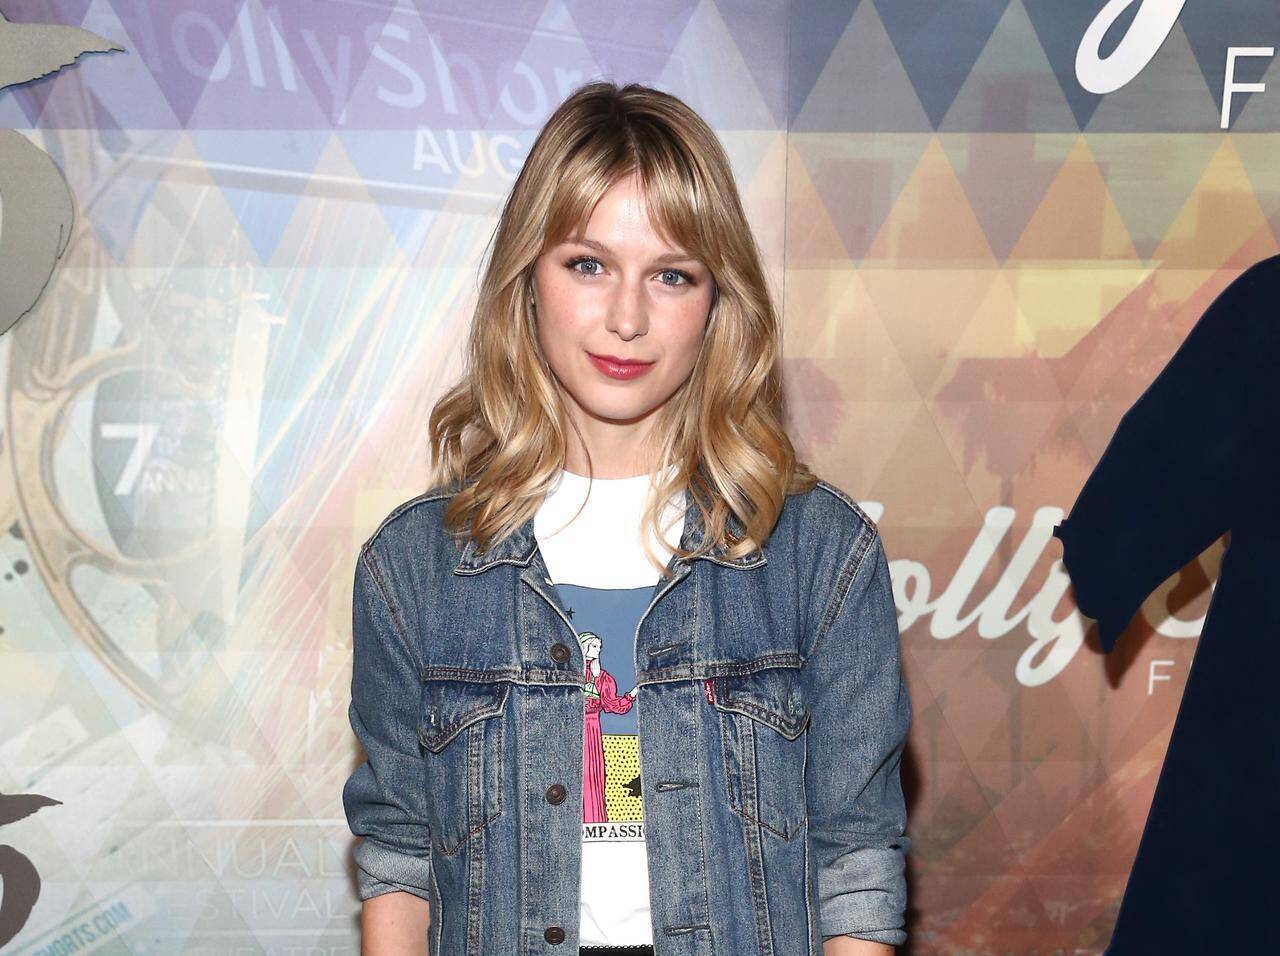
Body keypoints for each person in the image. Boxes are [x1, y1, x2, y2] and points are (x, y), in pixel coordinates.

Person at [342, 80, 911, 956]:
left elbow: (857, 869)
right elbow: (400, 859)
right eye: (588, 264)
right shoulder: (414, 566)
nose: (627, 317)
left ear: (718, 302)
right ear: (527, 278)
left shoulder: (820, 557)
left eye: (672, 275)